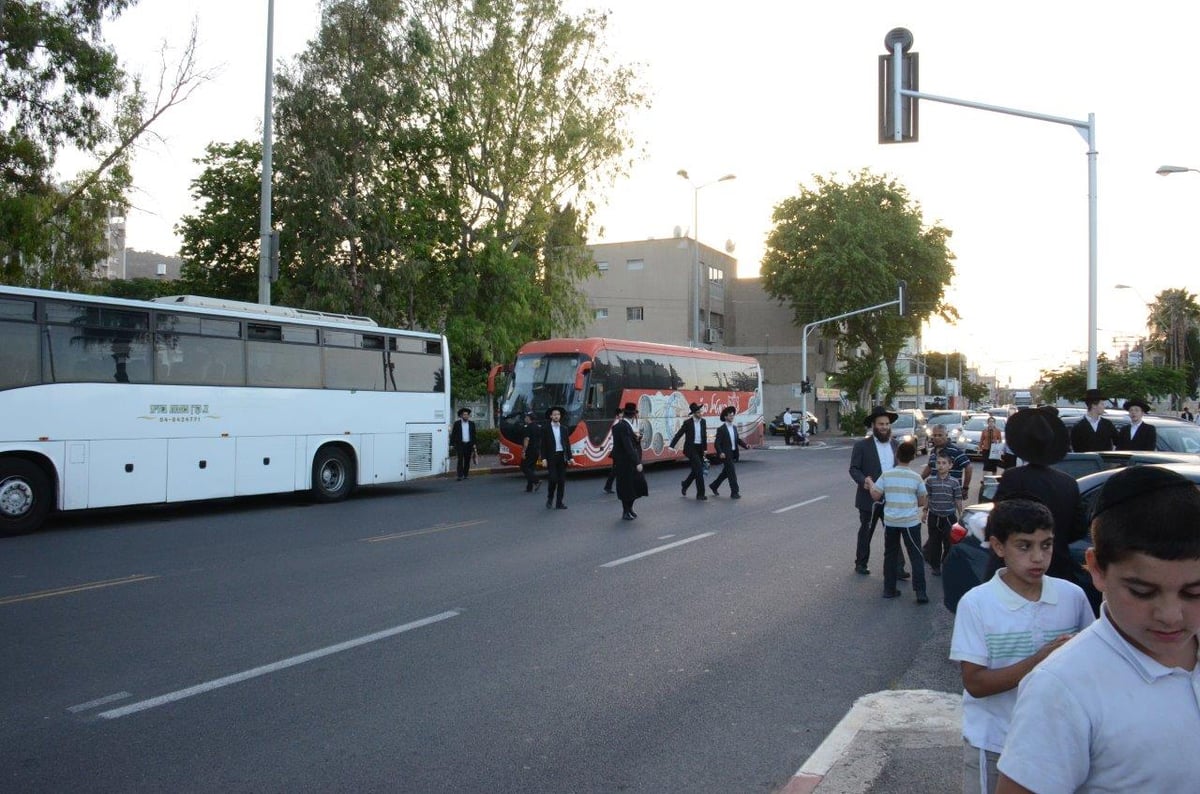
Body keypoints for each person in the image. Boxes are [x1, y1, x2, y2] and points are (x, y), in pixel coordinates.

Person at [995, 466, 1200, 793]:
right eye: (1142, 592)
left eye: (1194, 592)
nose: (1171, 616)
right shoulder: (1062, 688)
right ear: (1097, 569)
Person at [951, 499, 1094, 794]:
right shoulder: (978, 604)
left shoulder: (1072, 597)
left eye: (1046, 545)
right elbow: (975, 683)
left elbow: (1091, 664)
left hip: (1055, 744)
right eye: (1024, 546)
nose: (1038, 557)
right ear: (999, 546)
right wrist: (1040, 660)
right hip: (994, 743)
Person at [990, 406, 1086, 588]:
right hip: (1059, 571)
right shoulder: (1068, 483)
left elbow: (996, 523)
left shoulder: (1013, 478)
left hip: (1016, 575)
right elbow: (1079, 529)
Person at [848, 406, 908, 580]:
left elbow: (901, 468)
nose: (884, 427)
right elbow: (854, 469)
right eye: (881, 424)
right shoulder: (861, 445)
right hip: (869, 498)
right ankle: (861, 563)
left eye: (887, 424)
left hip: (892, 497)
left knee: (894, 532)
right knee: (866, 531)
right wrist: (864, 481)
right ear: (873, 425)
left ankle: (898, 567)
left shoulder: (896, 445)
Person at [869, 441, 929, 603]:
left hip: (891, 522)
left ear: (896, 455)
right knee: (915, 556)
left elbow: (876, 495)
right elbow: (922, 501)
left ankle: (889, 589)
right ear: (913, 457)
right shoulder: (916, 478)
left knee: (890, 555)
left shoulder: (887, 475)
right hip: (910, 522)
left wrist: (870, 484)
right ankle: (920, 592)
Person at [923, 449, 963, 577]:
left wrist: (961, 515)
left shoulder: (954, 482)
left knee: (949, 543)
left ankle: (946, 563)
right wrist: (925, 511)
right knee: (934, 542)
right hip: (934, 516)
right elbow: (928, 496)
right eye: (938, 463)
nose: (941, 465)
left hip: (949, 517)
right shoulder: (930, 481)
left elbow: (957, 499)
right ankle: (935, 566)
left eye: (944, 463)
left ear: (950, 466)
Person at [921, 424, 972, 505]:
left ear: (946, 435)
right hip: (935, 493)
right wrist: (919, 480)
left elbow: (968, 467)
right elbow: (930, 467)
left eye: (940, 435)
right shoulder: (933, 451)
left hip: (951, 495)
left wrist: (965, 488)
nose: (937, 438)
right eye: (935, 435)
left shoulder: (955, 451)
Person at [611, 402, 647, 520]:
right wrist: (637, 462)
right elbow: (627, 446)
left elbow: (629, 443)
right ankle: (625, 511)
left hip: (626, 460)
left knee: (635, 485)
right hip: (626, 462)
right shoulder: (623, 427)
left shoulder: (624, 425)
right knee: (627, 487)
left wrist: (637, 439)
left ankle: (629, 509)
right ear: (633, 415)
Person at [670, 402, 709, 500]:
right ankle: (700, 494)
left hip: (700, 448)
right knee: (699, 471)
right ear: (694, 413)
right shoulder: (687, 423)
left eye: (701, 412)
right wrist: (671, 446)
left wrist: (705, 449)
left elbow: (704, 436)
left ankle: (685, 484)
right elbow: (679, 434)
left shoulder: (703, 422)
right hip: (691, 449)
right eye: (698, 412)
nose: (701, 414)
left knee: (696, 470)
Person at [709, 406, 749, 499]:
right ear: (725, 417)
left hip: (733, 453)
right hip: (726, 455)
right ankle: (734, 492)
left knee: (726, 473)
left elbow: (737, 440)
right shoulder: (721, 429)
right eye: (730, 416)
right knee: (732, 473)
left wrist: (745, 445)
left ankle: (714, 485)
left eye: (733, 415)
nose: (732, 417)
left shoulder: (734, 428)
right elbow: (717, 443)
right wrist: (720, 452)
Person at [540, 405, 573, 509]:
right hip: (551, 457)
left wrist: (570, 457)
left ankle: (559, 502)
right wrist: (543, 458)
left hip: (562, 457)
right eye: (554, 414)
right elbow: (543, 445)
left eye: (558, 414)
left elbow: (567, 444)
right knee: (553, 479)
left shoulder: (564, 429)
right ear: (551, 416)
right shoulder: (546, 429)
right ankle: (550, 498)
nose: (556, 416)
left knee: (562, 481)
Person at [1069, 388, 1117, 452]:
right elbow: (1075, 448)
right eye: (1102, 404)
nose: (1104, 406)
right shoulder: (1078, 427)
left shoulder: (1108, 424)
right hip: (1087, 461)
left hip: (1105, 461)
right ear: (1094, 405)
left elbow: (1118, 442)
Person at [449, 407, 477, 481]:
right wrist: (451, 444)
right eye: (464, 415)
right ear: (461, 416)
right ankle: (460, 475)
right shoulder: (457, 423)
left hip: (469, 444)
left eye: (467, 415)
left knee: (467, 460)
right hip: (460, 444)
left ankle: (466, 474)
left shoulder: (472, 424)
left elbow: (474, 435)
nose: (466, 416)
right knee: (460, 460)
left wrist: (474, 444)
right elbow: (453, 434)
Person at [978, 416, 1005, 485]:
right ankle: (984, 480)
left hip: (994, 450)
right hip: (986, 449)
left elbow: (1000, 440)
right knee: (986, 465)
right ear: (988, 422)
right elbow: (981, 440)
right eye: (990, 421)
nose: (991, 423)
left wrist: (997, 442)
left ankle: (993, 480)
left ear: (994, 423)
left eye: (992, 421)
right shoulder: (984, 430)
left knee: (994, 465)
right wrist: (980, 448)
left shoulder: (997, 431)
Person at [520, 411, 542, 493]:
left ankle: (536, 481)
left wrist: (523, 451)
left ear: (529, 418)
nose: (525, 418)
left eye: (526, 417)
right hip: (536, 450)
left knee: (524, 467)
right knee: (531, 468)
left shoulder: (528, 428)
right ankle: (529, 487)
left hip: (529, 450)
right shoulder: (538, 427)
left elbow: (526, 440)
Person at [602, 408, 622, 494]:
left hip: (618, 451)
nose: (622, 417)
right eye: (621, 415)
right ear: (617, 416)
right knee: (615, 470)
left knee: (616, 470)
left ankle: (608, 486)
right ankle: (609, 486)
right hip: (618, 451)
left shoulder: (620, 425)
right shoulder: (616, 426)